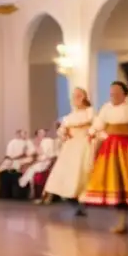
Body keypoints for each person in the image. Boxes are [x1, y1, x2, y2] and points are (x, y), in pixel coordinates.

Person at [80, 81, 128, 234]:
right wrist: (92, 133)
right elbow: (98, 125)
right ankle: (121, 221)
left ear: (124, 93)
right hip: (111, 149)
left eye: (116, 91)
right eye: (111, 92)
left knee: (127, 183)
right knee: (114, 183)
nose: (113, 94)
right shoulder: (106, 108)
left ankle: (126, 220)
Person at [41, 87, 94, 215]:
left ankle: (82, 203)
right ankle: (74, 202)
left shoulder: (89, 112)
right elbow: (62, 130)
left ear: (84, 97)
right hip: (70, 148)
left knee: (81, 175)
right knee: (66, 176)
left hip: (83, 146)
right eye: (75, 96)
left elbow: (94, 126)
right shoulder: (69, 116)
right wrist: (64, 134)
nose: (76, 99)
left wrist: (90, 134)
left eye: (79, 96)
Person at [19, 129, 57, 199]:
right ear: (37, 134)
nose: (42, 134)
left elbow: (46, 153)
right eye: (40, 133)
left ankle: (29, 185)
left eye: (43, 132)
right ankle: (30, 188)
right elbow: (32, 153)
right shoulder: (35, 141)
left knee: (33, 168)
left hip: (45, 160)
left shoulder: (48, 141)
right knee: (29, 167)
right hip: (39, 159)